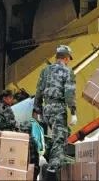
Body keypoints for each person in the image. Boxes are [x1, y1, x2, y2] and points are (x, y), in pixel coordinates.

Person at [33, 45, 76, 181]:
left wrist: (38, 109)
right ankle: (52, 170)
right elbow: (69, 94)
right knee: (61, 140)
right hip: (58, 108)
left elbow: (38, 91)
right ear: (67, 57)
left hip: (47, 109)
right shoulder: (67, 71)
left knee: (61, 134)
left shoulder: (45, 71)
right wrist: (73, 112)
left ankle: (50, 159)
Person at [19, 110, 46, 181]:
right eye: (40, 113)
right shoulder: (33, 125)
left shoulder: (39, 126)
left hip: (39, 154)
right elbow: (33, 139)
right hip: (37, 154)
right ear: (34, 114)